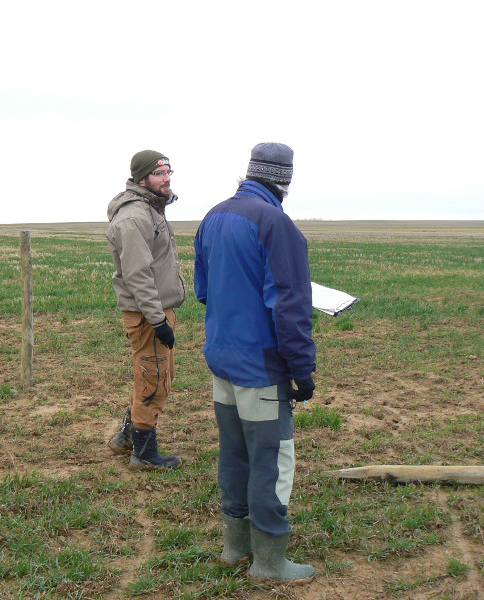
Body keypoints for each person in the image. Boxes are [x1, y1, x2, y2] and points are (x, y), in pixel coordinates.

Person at [193, 143, 316, 583]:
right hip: (261, 369)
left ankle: (234, 546)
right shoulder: (276, 224)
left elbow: (205, 290)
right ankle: (269, 563)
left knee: (235, 454)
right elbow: (290, 309)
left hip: (222, 359)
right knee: (271, 460)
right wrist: (302, 370)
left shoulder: (213, 217)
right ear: (285, 179)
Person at [106, 149, 187, 469]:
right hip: (147, 315)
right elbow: (138, 275)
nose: (166, 178)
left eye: (169, 172)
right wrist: (157, 320)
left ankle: (127, 436)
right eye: (159, 173)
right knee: (154, 382)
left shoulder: (149, 210)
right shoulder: (136, 217)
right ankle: (144, 453)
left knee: (154, 377)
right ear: (142, 178)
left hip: (155, 312)